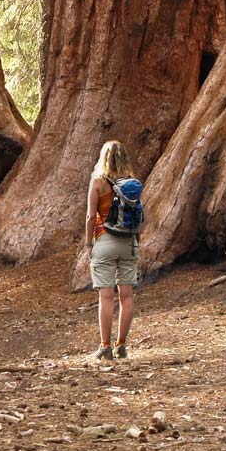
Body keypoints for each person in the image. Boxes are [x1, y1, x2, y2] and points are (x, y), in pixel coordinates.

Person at [85, 140, 139, 360]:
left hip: (104, 241)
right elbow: (137, 217)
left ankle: (105, 347)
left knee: (106, 296)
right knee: (126, 296)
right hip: (129, 242)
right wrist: (137, 242)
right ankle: (122, 345)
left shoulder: (98, 182)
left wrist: (89, 243)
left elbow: (90, 216)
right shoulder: (133, 184)